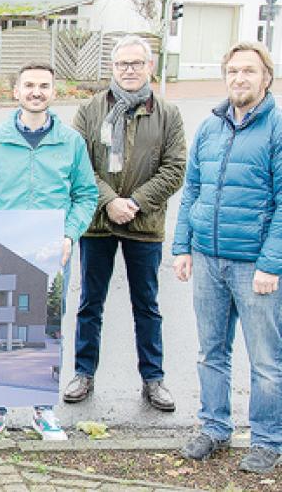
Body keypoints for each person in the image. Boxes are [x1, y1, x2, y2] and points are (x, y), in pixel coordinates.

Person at [0, 61, 98, 444]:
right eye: (29, 85)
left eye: (43, 85)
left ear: (54, 92)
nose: (36, 91)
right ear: (16, 91)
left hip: (52, 252)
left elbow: (85, 195)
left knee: (47, 327)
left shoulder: (71, 142)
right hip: (5, 249)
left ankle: (42, 409)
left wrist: (70, 234)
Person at [174, 42, 282, 474]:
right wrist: (182, 246)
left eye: (249, 72)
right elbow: (193, 191)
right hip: (208, 259)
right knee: (210, 352)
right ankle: (214, 427)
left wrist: (271, 264)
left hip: (254, 265)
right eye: (233, 71)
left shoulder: (276, 128)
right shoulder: (209, 127)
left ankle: (267, 439)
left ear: (266, 78)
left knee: (266, 361)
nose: (240, 79)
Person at [68, 35, 186, 411]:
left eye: (137, 63)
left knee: (147, 305)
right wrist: (110, 202)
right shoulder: (89, 111)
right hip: (98, 224)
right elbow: (79, 164)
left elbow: (175, 169)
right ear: (113, 68)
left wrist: (134, 202)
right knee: (90, 303)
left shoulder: (168, 114)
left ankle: (154, 379)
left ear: (150, 67)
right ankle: (83, 373)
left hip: (145, 224)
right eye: (122, 64)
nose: (129, 70)